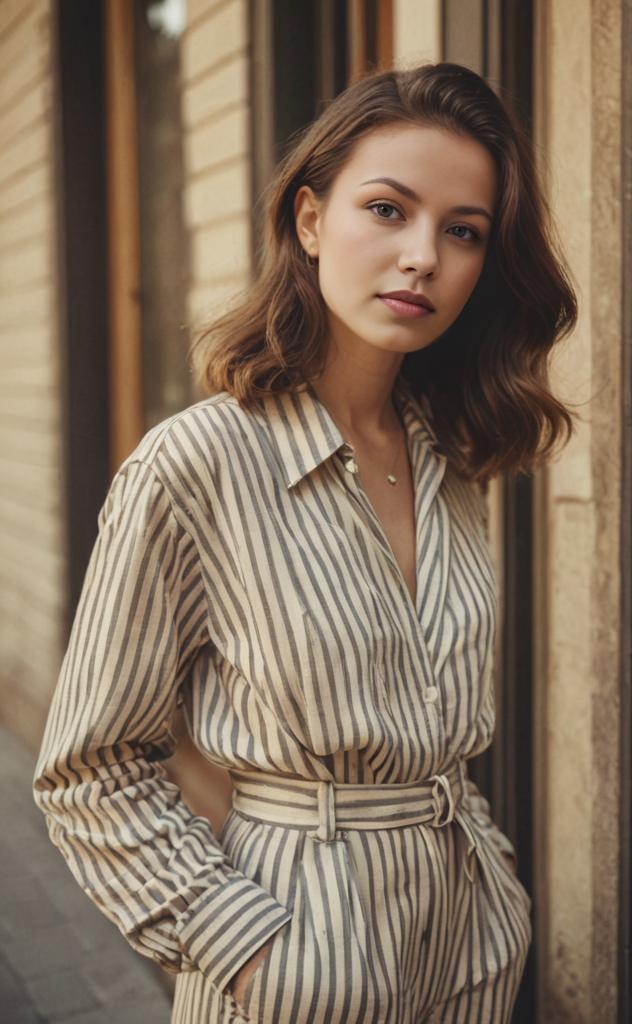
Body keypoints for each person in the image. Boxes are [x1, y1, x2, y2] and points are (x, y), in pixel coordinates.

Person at [32, 61, 577, 1024]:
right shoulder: (197, 463)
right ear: (311, 220)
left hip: (468, 956)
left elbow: (431, 727)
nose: (422, 257)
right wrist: (243, 946)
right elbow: (91, 767)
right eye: (387, 209)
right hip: (295, 956)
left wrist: (495, 888)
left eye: (463, 232)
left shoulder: (447, 460)